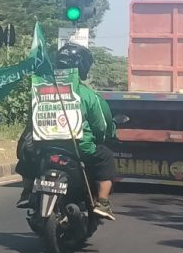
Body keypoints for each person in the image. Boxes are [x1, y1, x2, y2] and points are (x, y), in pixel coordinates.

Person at [15, 43, 117, 220]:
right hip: (78, 148)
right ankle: (103, 202)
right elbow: (102, 126)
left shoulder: (40, 90)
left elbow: (32, 120)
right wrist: (103, 138)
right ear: (82, 67)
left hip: (43, 146)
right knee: (106, 157)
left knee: (27, 153)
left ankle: (26, 192)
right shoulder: (89, 95)